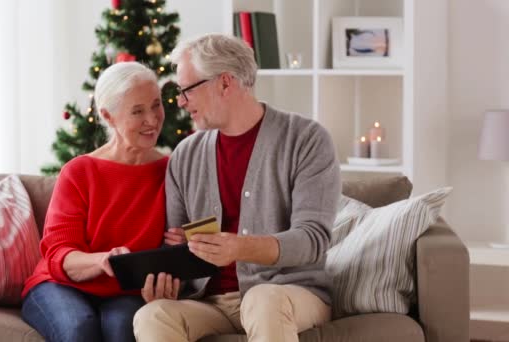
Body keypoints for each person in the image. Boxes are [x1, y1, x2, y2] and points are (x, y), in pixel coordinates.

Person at [134, 34, 341, 342]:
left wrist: (240, 247)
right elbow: (175, 247)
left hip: (289, 294)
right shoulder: (185, 155)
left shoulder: (306, 139)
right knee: (152, 316)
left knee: (263, 300)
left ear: (225, 83)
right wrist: (168, 276)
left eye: (186, 89)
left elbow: (312, 240)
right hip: (210, 302)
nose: (180, 101)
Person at [21, 61, 168, 342]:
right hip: (60, 285)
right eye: (138, 111)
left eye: (156, 104)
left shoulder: (171, 172)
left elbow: (177, 246)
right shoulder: (79, 171)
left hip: (127, 291)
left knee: (123, 329)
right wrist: (103, 261)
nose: (152, 119)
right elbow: (59, 253)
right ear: (108, 116)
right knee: (79, 328)